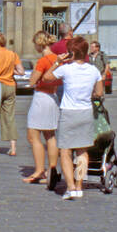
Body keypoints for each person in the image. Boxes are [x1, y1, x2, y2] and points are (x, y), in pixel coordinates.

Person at [48, 36, 104, 200]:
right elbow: (99, 93)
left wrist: (58, 61)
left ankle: (70, 187)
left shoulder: (66, 69)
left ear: (71, 52)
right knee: (82, 151)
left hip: (69, 112)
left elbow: (47, 77)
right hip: (85, 112)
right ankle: (79, 186)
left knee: (65, 151)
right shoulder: (93, 70)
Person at [23, 30, 61, 187]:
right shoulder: (58, 60)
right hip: (53, 97)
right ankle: (51, 170)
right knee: (50, 135)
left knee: (33, 135)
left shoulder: (43, 61)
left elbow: (32, 81)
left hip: (41, 98)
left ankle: (39, 170)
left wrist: (30, 77)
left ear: (39, 44)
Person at [0, 32, 25, 156]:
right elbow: (22, 72)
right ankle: (13, 148)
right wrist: (11, 72)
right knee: (10, 117)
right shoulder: (13, 54)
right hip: (10, 86)